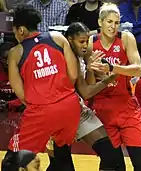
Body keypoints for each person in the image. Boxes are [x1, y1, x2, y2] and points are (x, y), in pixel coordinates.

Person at [2, 4, 81, 171]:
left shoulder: (16, 52)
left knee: (11, 161)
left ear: (21, 30)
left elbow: (21, 94)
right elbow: (74, 75)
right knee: (61, 156)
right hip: (70, 107)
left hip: (42, 110)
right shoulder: (57, 38)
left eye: (15, 30)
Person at [46, 22, 126, 171]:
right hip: (58, 116)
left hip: (78, 111)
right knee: (61, 166)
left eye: (87, 40)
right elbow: (86, 92)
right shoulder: (63, 57)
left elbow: (86, 90)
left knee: (111, 154)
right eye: (81, 41)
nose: (85, 45)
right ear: (69, 40)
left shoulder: (79, 57)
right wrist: (109, 79)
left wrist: (90, 69)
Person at [86, 2, 141, 171]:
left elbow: (138, 70)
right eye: (109, 22)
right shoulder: (91, 43)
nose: (113, 27)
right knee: (111, 165)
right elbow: (89, 85)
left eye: (116, 22)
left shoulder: (126, 38)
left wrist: (112, 68)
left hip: (126, 106)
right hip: (102, 108)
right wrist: (91, 70)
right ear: (100, 22)